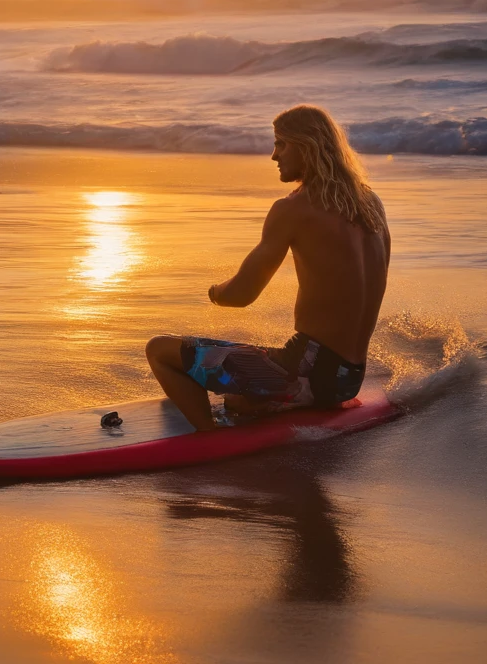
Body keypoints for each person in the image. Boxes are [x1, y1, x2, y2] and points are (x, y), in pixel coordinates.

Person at [145, 104, 391, 431]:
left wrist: (214, 292)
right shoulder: (371, 203)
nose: (274, 155)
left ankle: (209, 435)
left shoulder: (292, 208)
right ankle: (253, 404)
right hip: (347, 380)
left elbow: (241, 295)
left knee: (159, 350)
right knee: (237, 399)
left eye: (281, 144)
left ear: (308, 146)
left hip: (303, 375)